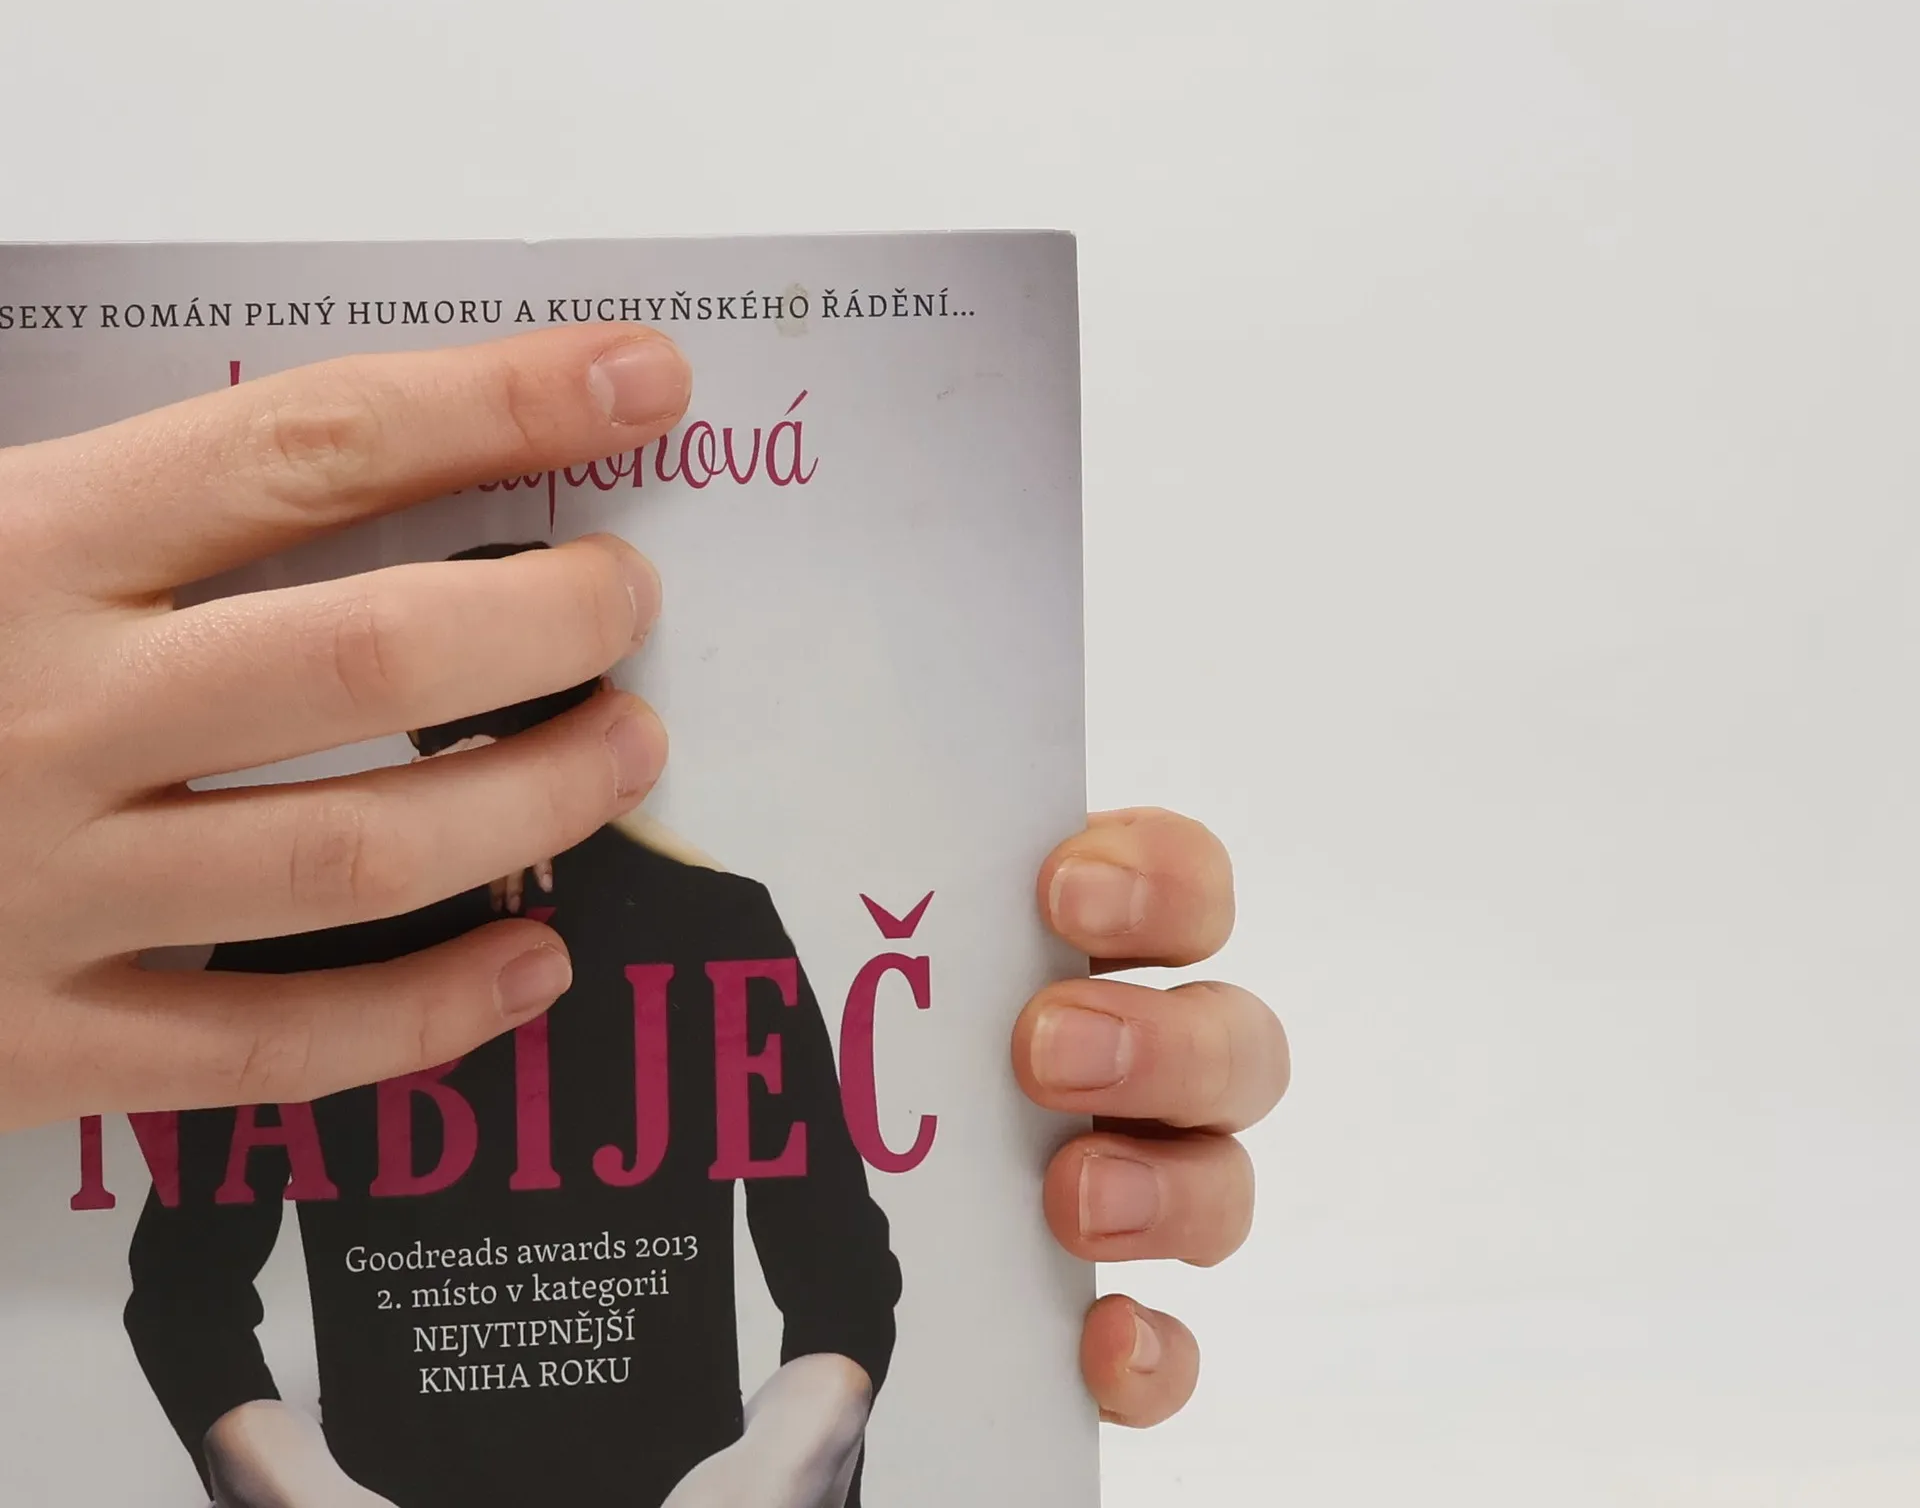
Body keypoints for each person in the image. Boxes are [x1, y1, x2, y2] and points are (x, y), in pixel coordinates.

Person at [0, 324, 1289, 1490]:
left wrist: (779, 1456)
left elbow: (840, 1278)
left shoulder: (705, 923)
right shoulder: (314, 924)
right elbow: (184, 1296)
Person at [124, 558, 903, 1508]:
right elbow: (844, 1286)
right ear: (603, 699)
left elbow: (183, 1296)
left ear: (412, 723)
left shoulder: (298, 941)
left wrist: (773, 1464)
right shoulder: (715, 920)